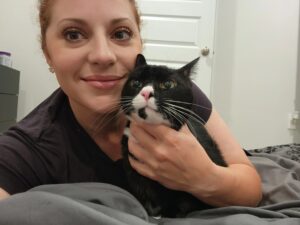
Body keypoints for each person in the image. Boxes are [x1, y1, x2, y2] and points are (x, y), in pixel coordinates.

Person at [0, 0, 262, 209]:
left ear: (139, 43)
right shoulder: (28, 148)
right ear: (48, 53)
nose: (103, 55)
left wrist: (205, 178)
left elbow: (250, 187)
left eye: (121, 33)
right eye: (73, 34)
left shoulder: (177, 94)